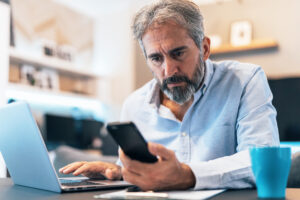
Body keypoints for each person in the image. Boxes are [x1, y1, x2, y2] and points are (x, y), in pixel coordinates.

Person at [59, 0, 279, 191]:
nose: (169, 70)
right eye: (156, 58)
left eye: (178, 53)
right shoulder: (134, 105)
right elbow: (137, 171)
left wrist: (185, 175)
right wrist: (119, 171)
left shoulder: (245, 81)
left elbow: (264, 161)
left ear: (204, 48)